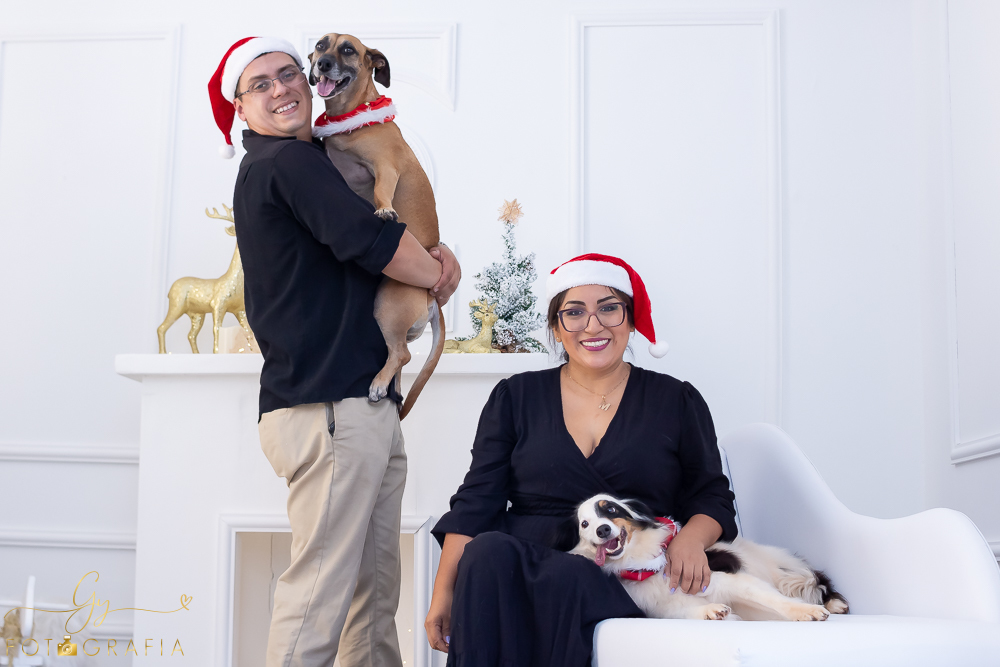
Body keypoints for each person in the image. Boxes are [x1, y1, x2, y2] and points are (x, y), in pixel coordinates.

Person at [207, 37, 461, 667]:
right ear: (239, 108)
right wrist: (434, 273)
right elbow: (368, 240)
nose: (281, 88)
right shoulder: (285, 165)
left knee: (371, 598)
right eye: (259, 84)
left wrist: (429, 257)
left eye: (287, 73)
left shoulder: (315, 157)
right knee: (319, 595)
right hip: (329, 409)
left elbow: (388, 227)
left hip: (357, 404)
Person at [424, 253, 737, 667]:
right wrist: (444, 592)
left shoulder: (676, 400)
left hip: (623, 573)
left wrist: (691, 541)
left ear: (630, 319)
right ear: (556, 326)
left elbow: (711, 497)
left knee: (568, 573)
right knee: (487, 552)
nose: (593, 325)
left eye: (609, 308)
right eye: (574, 313)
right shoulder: (515, 397)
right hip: (526, 558)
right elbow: (476, 502)